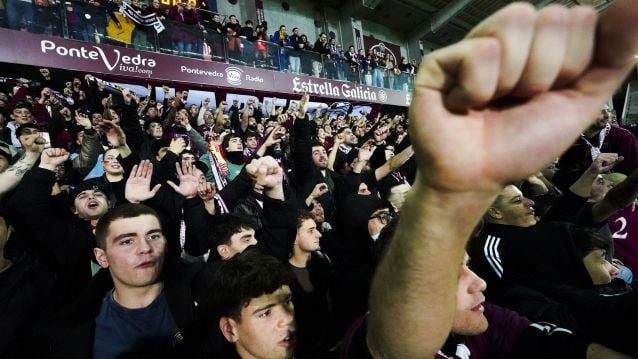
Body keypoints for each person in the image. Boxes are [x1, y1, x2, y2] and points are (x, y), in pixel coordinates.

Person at [365, 1, 638, 358]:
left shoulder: (542, 223)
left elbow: (592, 205)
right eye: (514, 200)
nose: (526, 201)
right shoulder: (496, 253)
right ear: (492, 215)